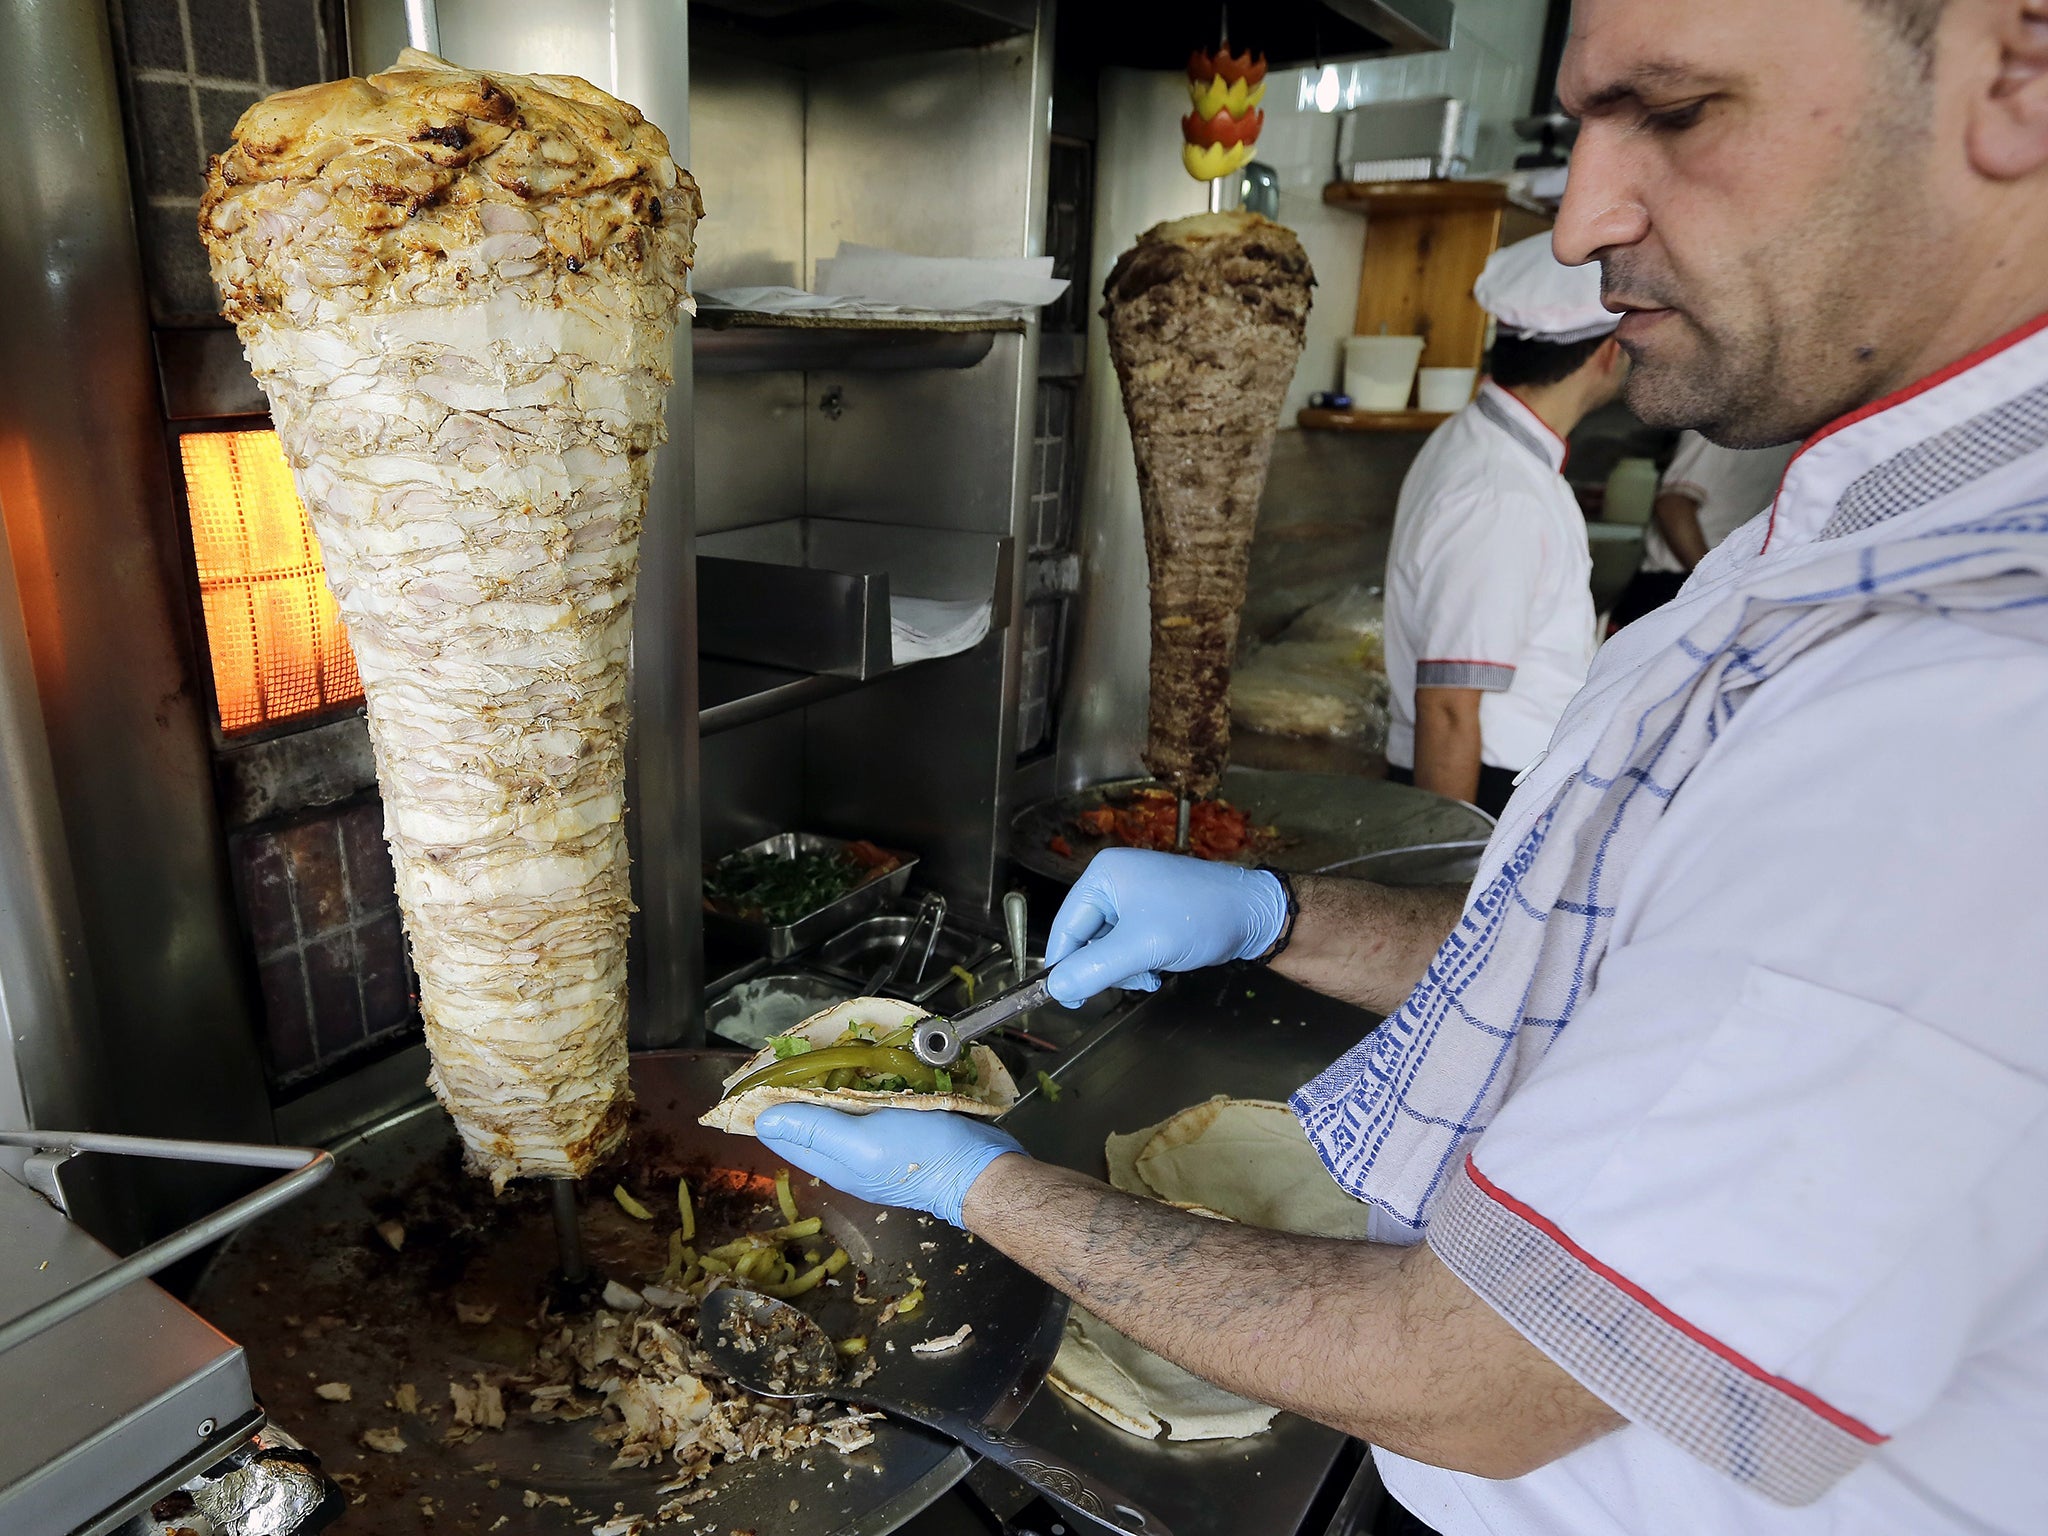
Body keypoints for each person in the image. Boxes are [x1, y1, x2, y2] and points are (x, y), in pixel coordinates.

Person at [751, 2, 2048, 1532]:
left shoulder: (1971, 695)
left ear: (2016, 74)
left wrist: (980, 1183)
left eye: (1681, 113)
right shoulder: (1842, 544)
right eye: (1579, 132)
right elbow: (1615, 965)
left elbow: (1482, 1380)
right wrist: (1275, 918)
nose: (1581, 224)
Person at [1384, 235, 1630, 815]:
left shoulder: (1491, 447)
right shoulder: (1501, 493)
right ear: (1608, 353)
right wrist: (1444, 871)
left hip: (1499, 772)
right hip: (1484, 786)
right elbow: (1448, 710)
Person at [1607, 430, 1798, 628]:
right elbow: (1674, 505)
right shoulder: (1722, 425)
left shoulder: (1792, 437)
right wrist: (1713, 580)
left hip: (1731, 584)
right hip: (1679, 585)